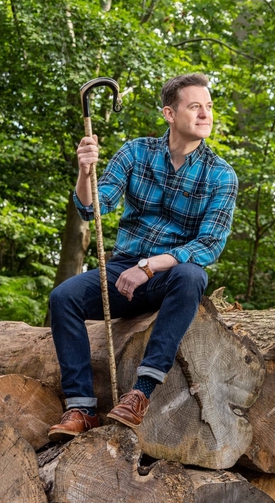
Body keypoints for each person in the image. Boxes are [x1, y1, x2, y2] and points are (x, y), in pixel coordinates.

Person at [48, 72, 238, 442]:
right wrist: (85, 171)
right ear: (169, 113)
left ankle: (141, 393)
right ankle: (82, 408)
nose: (205, 115)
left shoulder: (221, 175)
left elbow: (209, 246)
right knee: (63, 298)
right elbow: (93, 210)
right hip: (122, 271)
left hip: (169, 277)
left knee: (192, 275)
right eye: (195, 106)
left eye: (209, 107)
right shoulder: (136, 152)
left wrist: (149, 266)